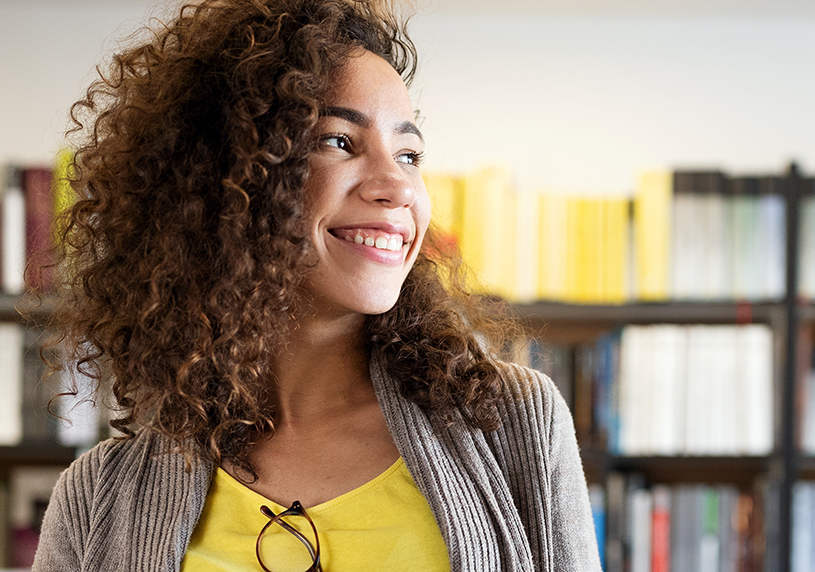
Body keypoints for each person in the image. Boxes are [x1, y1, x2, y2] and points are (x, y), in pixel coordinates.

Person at [30, 0, 600, 570]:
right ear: (227, 180)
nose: (397, 187)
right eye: (339, 141)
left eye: (409, 154)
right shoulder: (101, 494)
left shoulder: (511, 422)